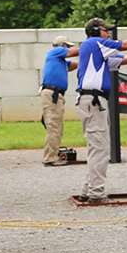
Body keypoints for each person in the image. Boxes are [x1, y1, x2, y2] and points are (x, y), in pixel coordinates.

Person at [74, 18, 127, 203]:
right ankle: (96, 193)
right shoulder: (95, 42)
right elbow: (125, 45)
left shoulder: (96, 49)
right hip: (93, 100)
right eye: (106, 30)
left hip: (92, 101)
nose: (108, 33)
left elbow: (126, 60)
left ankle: (88, 190)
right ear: (96, 31)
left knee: (97, 148)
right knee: (100, 149)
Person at [40, 35, 79, 166]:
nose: (69, 49)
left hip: (56, 95)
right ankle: (50, 158)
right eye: (67, 46)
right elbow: (75, 52)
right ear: (62, 46)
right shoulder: (55, 52)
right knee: (54, 127)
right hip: (53, 94)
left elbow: (75, 65)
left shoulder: (59, 61)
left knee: (56, 126)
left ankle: (53, 154)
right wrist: (91, 48)